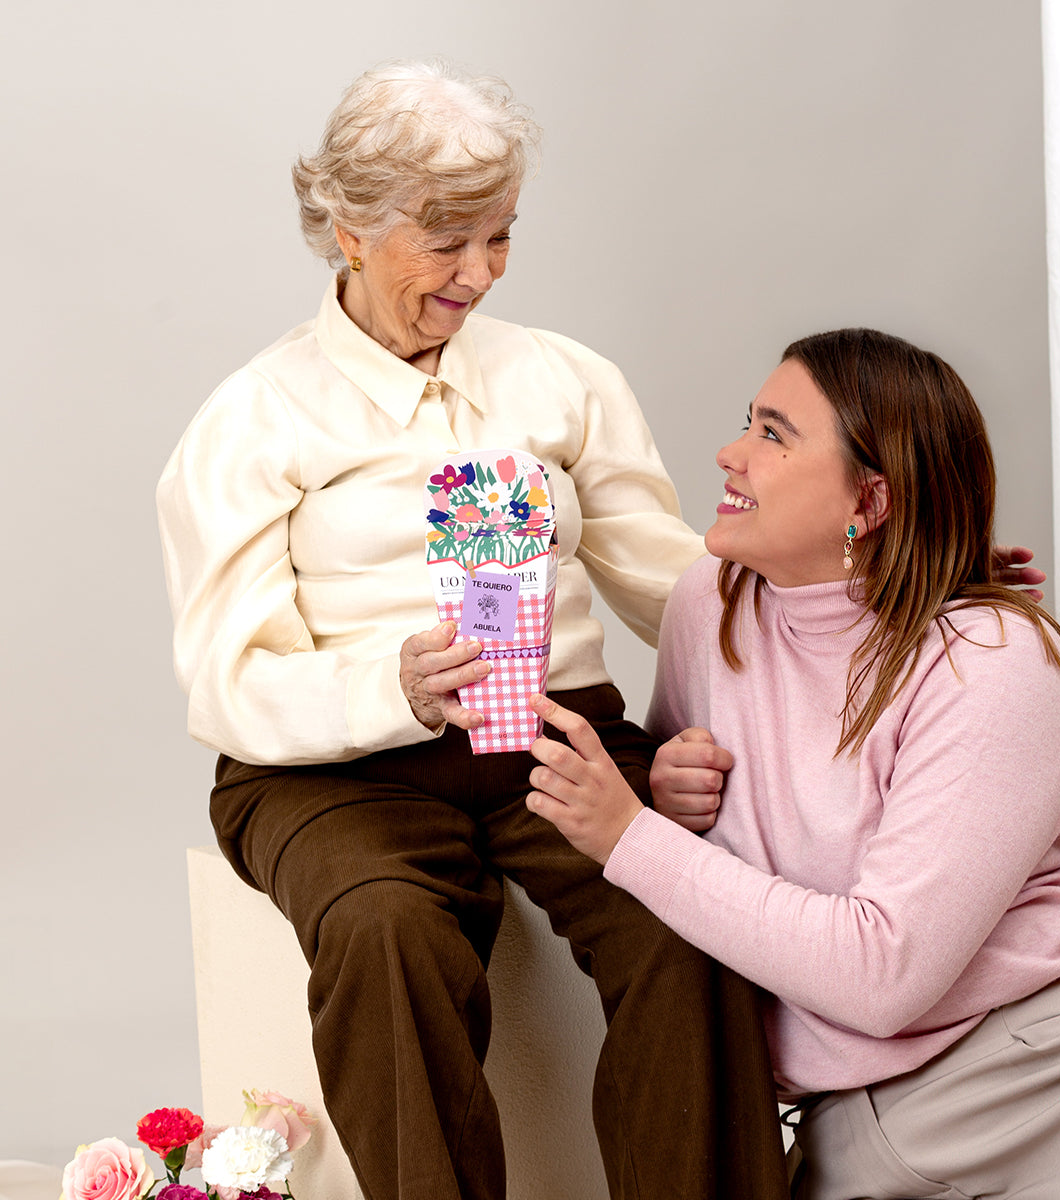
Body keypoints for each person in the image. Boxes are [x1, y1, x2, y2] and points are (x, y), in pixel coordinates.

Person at [156, 60, 792, 1200]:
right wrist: (384, 686)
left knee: (688, 918)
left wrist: (890, 580)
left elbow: (676, 581)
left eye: (500, 237)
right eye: (447, 240)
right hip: (336, 778)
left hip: (552, 740)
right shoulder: (253, 418)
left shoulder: (564, 380)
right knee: (384, 932)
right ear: (348, 230)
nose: (479, 273)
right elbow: (225, 674)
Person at [525, 328, 1060, 1200]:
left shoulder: (991, 660)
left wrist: (629, 837)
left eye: (774, 434)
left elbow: (882, 975)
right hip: (859, 1136)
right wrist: (661, 797)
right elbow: (716, 851)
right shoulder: (712, 605)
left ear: (869, 502)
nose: (731, 453)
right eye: (749, 423)